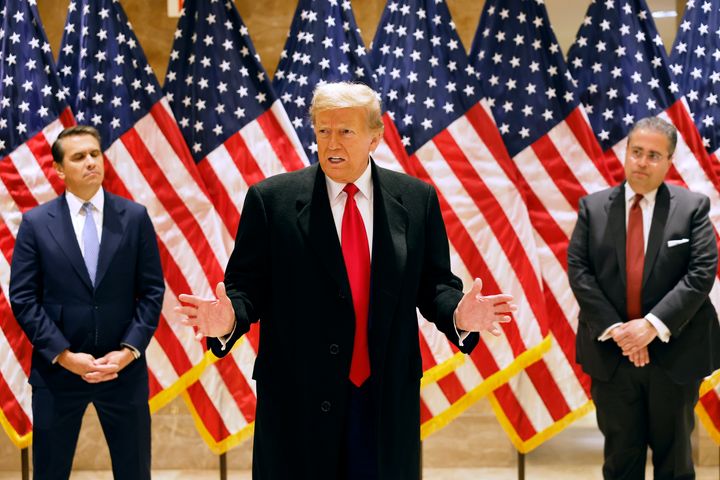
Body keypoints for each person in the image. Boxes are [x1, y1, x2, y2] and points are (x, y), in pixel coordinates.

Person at [176, 82, 515, 480]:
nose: (331, 142)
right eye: (323, 130)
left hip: (383, 396)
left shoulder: (416, 198)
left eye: (345, 131)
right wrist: (229, 319)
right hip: (297, 395)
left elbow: (434, 284)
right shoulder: (273, 200)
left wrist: (459, 312)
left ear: (376, 136)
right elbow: (247, 287)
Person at [567, 117, 720, 479]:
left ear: (669, 162)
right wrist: (621, 332)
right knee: (621, 461)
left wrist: (650, 327)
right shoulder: (593, 208)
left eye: (654, 155)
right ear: (625, 154)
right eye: (636, 152)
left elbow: (701, 273)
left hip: (676, 354)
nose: (642, 162)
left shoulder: (692, 208)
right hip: (612, 357)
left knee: (675, 462)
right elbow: (580, 271)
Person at [9, 125, 165, 480]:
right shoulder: (36, 223)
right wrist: (64, 356)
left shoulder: (135, 217)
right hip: (58, 372)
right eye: (79, 157)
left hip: (122, 370)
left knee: (134, 470)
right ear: (60, 170)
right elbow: (23, 297)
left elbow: (152, 291)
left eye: (95, 154)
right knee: (50, 471)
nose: (91, 162)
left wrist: (128, 352)